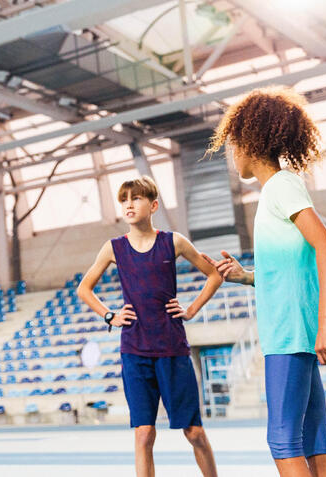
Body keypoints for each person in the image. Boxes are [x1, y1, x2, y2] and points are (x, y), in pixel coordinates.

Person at [204, 86, 326, 477]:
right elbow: (290, 266)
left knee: (282, 441)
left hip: (288, 334)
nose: (233, 156)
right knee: (316, 440)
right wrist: (246, 277)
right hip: (295, 331)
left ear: (250, 141)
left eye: (234, 145)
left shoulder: (280, 185)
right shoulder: (277, 191)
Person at [77, 176, 222, 477]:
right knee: (144, 434)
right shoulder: (114, 248)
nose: (129, 204)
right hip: (135, 351)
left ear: (153, 205)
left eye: (137, 198)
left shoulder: (175, 242)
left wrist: (192, 308)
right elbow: (84, 289)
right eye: (124, 199)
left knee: (194, 432)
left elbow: (214, 275)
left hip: (172, 348)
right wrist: (109, 315)